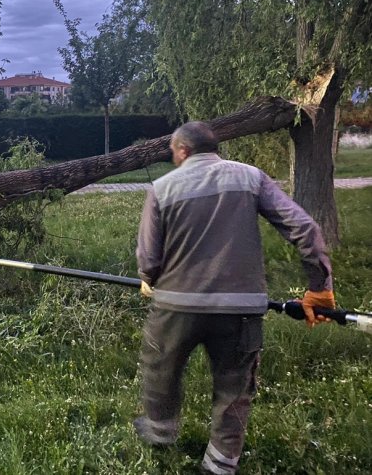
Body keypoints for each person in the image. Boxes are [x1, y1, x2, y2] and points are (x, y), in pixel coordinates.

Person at [134, 121, 335, 475]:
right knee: (234, 386)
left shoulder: (161, 188)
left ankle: (160, 432)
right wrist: (319, 287)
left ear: (182, 150)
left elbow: (149, 258)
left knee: (160, 367)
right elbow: (304, 227)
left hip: (174, 307)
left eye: (172, 153)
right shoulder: (251, 178)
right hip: (240, 310)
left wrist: (149, 279)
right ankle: (221, 463)